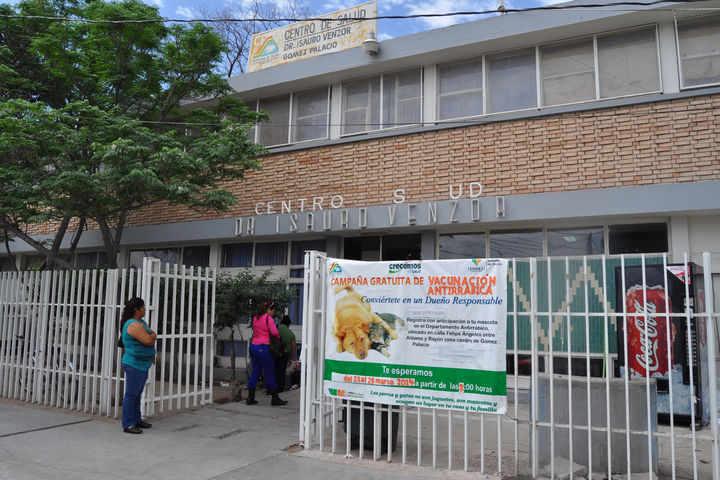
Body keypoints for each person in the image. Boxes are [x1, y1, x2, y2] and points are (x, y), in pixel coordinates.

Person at [120, 297, 157, 434]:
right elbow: (149, 340)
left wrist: (152, 336)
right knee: (131, 394)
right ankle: (128, 424)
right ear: (137, 309)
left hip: (141, 364)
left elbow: (154, 335)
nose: (145, 310)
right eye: (143, 307)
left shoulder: (141, 322)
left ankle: (136, 419)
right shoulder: (133, 325)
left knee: (137, 393)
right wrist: (152, 336)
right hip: (134, 364)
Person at [247, 301, 287, 406]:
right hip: (263, 349)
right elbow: (274, 332)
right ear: (268, 309)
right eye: (273, 311)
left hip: (253, 347)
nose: (273, 313)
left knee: (255, 372)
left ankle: (250, 398)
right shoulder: (268, 319)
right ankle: (275, 399)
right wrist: (278, 336)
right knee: (270, 373)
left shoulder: (255, 318)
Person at [274, 315, 296, 392]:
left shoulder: (276, 328)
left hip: (274, 353)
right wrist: (291, 358)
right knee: (281, 372)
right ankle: (280, 389)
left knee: (273, 370)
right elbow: (293, 347)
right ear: (288, 324)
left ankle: (271, 388)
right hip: (284, 354)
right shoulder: (291, 333)